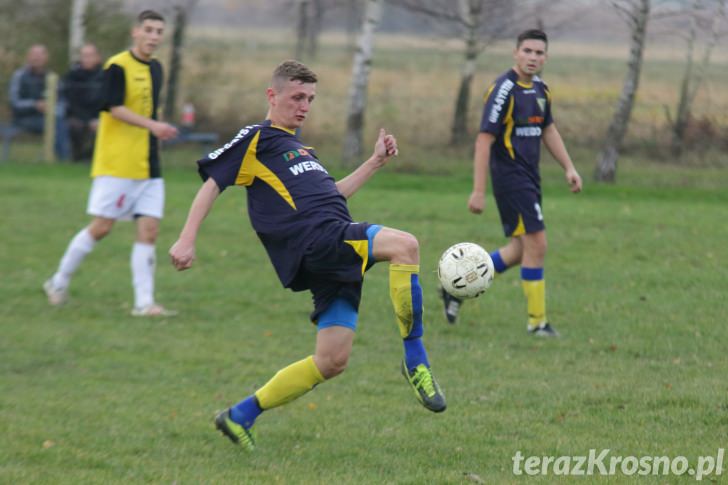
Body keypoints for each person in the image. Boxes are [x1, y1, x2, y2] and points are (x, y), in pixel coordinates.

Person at [169, 60, 446, 451]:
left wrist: (374, 162)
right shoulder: (257, 137)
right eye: (297, 97)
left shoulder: (301, 149)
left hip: (331, 249)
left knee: (331, 361)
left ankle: (240, 415)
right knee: (406, 245)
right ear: (272, 95)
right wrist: (186, 238)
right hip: (319, 242)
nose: (304, 106)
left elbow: (332, 196)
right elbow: (213, 183)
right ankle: (415, 360)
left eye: (310, 99)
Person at [440, 29, 582, 336]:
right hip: (510, 179)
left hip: (531, 178)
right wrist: (478, 190)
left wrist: (569, 167)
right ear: (515, 53)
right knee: (538, 243)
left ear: (546, 57)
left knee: (520, 251)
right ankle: (537, 323)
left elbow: (549, 130)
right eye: (527, 51)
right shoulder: (503, 90)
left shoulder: (542, 90)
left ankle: (455, 288)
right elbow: (483, 140)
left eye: (539, 53)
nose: (533, 57)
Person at [43, 10, 179, 316]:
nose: (154, 36)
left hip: (148, 164)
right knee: (102, 227)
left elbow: (150, 109)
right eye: (149, 30)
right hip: (118, 162)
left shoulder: (157, 68)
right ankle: (58, 281)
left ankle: (144, 304)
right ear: (135, 32)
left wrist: (158, 129)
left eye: (159, 31)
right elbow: (113, 108)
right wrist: (153, 126)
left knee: (150, 231)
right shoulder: (117, 66)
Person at [8, 44, 70, 159]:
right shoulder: (19, 76)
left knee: (62, 123)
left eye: (40, 55)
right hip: (24, 119)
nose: (37, 58)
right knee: (57, 125)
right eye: (34, 55)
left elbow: (62, 101)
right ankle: (64, 160)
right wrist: (34, 105)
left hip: (50, 118)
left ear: (46, 57)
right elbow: (14, 102)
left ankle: (62, 159)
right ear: (28, 57)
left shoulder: (52, 77)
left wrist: (52, 110)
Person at [63, 43, 104, 162]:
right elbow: (70, 102)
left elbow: (107, 102)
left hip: (99, 117)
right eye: (84, 56)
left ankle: (93, 158)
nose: (87, 59)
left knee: (101, 128)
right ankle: (77, 158)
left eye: (90, 55)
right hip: (77, 117)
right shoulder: (72, 77)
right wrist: (86, 119)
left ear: (98, 57)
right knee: (74, 127)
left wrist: (97, 119)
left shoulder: (106, 76)